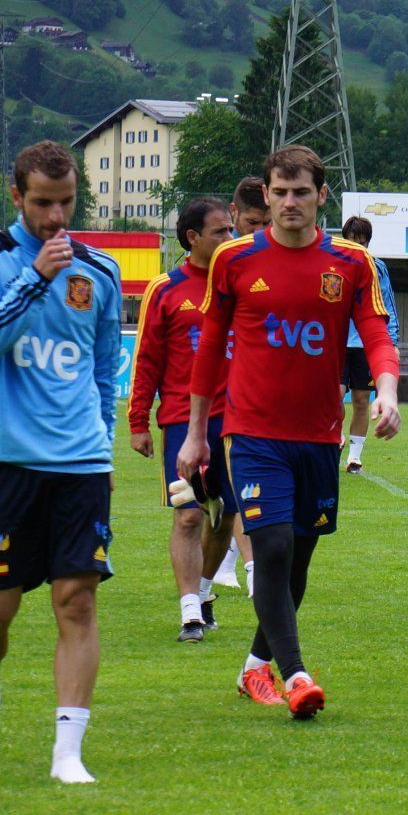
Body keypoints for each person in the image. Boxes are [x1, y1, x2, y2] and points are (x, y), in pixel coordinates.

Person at [178, 145, 400, 720]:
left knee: (296, 560)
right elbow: (207, 357)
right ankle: (296, 675)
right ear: (267, 194)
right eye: (279, 192)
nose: (289, 202)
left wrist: (387, 391)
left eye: (301, 192)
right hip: (252, 433)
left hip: (321, 436)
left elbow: (375, 333)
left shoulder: (351, 262)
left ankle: (255, 668)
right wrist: (196, 433)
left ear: (321, 195)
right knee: (271, 545)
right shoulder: (235, 259)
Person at [0, 140, 122, 783]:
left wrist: (100, 440)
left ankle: (67, 753)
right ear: (17, 197)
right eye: (44, 204)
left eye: (67, 203)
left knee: (76, 602)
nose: (57, 218)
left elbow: (106, 367)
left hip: (80, 463)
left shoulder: (99, 273)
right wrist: (37, 277)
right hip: (6, 461)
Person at [130, 197, 239, 642]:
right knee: (189, 516)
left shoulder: (241, 284)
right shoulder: (166, 289)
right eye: (221, 232)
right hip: (182, 421)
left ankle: (206, 589)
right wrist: (138, 421)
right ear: (193, 238)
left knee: (226, 516)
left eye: (232, 230)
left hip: (238, 422)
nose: (231, 239)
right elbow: (147, 359)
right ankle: (190, 609)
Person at [211, 177, 271, 592]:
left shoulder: (272, 260)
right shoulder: (223, 264)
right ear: (234, 216)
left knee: (240, 495)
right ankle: (247, 573)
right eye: (252, 222)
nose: (260, 231)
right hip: (213, 402)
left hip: (253, 400)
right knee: (208, 506)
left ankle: (230, 570)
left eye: (265, 222)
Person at [339, 215, 400, 475]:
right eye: (352, 242)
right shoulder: (332, 267)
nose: (357, 248)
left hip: (365, 343)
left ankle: (354, 456)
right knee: (333, 398)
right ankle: (333, 438)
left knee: (362, 400)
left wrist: (393, 340)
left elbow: (387, 304)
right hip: (337, 342)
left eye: (362, 243)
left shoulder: (377, 268)